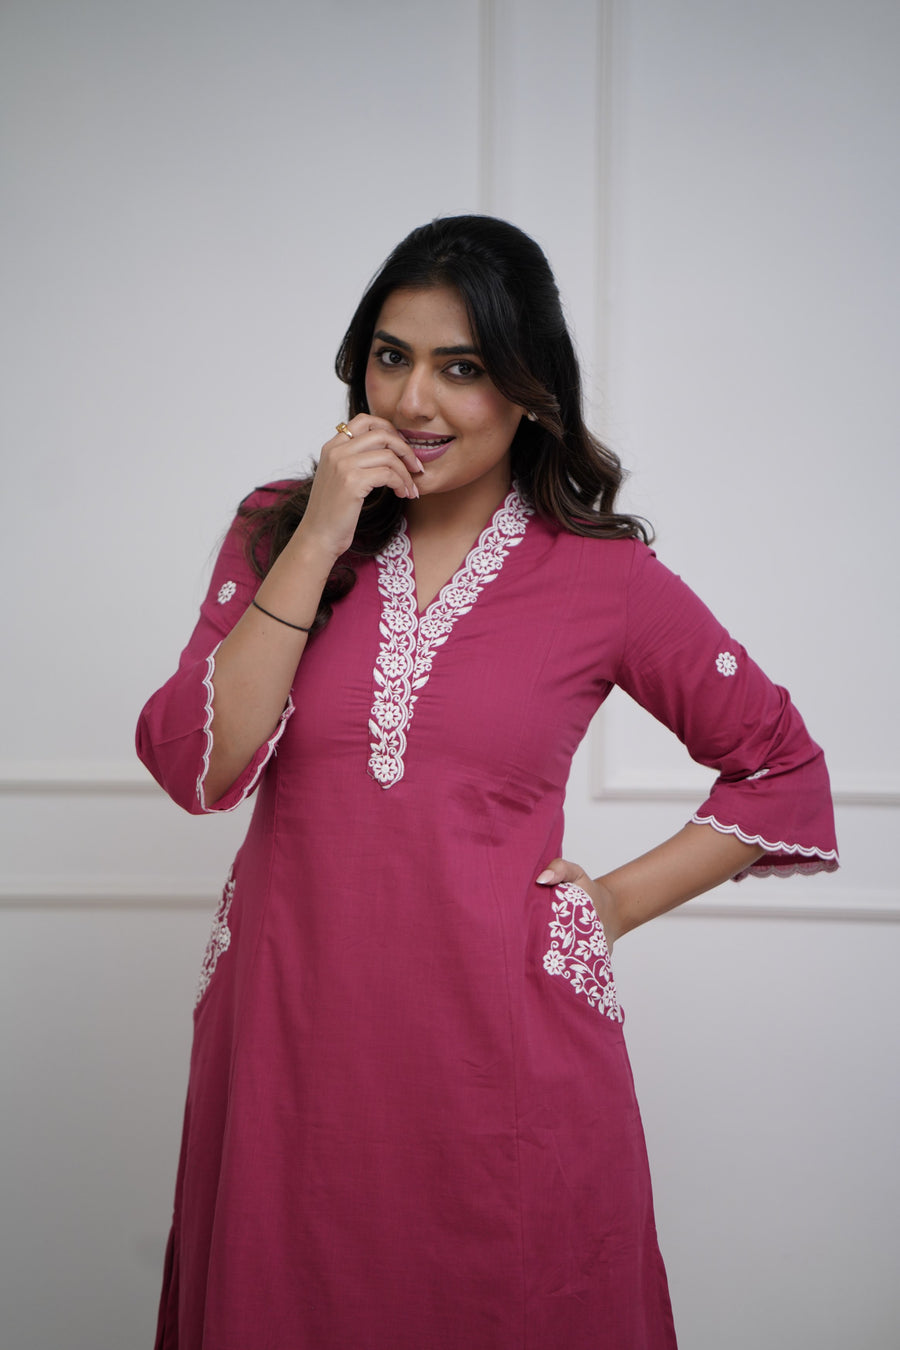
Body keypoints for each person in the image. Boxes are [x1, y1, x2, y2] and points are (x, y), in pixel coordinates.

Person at [137, 215, 838, 1350]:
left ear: (528, 388)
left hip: (499, 1053)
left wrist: (610, 905)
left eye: (461, 368)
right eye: (392, 357)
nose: (415, 402)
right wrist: (319, 535)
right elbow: (198, 766)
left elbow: (783, 771)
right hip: (287, 1036)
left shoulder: (603, 577)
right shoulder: (278, 529)